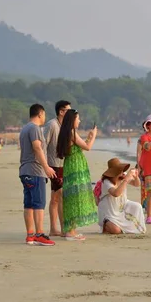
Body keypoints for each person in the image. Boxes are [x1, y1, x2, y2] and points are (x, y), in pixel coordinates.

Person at [56, 109, 98, 240]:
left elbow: (79, 146)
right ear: (72, 120)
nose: (79, 121)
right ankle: (70, 231)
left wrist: (89, 137)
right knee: (74, 197)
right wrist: (94, 135)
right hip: (75, 167)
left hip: (71, 165)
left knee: (72, 197)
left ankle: (71, 229)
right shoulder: (71, 133)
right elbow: (87, 147)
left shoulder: (66, 133)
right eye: (78, 118)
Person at [19, 104, 57, 246]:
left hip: (25, 171)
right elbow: (37, 147)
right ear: (40, 114)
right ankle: (39, 234)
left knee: (29, 204)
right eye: (44, 115)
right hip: (35, 171)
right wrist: (46, 167)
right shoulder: (34, 128)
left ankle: (30, 235)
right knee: (39, 203)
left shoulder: (25, 128)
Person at [43, 100, 71, 237]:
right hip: (53, 165)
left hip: (63, 165)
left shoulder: (65, 126)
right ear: (61, 111)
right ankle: (63, 228)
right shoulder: (52, 124)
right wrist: (45, 166)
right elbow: (42, 145)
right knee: (60, 196)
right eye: (68, 110)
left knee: (55, 197)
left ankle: (54, 229)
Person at [97, 158, 146, 234]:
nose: (122, 171)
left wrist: (136, 177)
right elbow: (116, 193)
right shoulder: (106, 182)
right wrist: (126, 179)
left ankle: (124, 226)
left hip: (122, 205)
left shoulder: (122, 176)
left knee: (137, 206)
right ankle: (106, 225)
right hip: (109, 212)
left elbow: (137, 184)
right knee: (116, 231)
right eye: (120, 170)